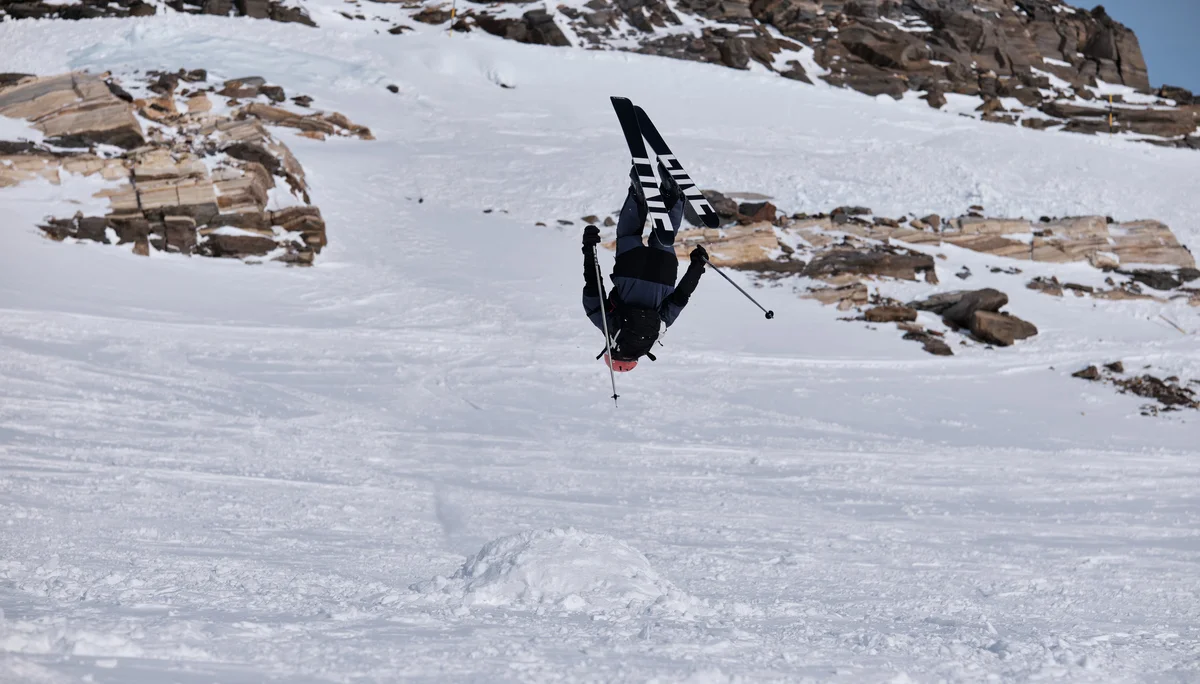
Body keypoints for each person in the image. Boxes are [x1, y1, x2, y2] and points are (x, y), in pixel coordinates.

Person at [582, 177, 708, 372]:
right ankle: (638, 195)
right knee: (628, 234)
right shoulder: (608, 326)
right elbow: (593, 286)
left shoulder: (655, 332)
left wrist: (697, 267)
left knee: (664, 236)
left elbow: (680, 298)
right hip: (630, 270)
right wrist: (589, 248)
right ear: (609, 350)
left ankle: (674, 195)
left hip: (663, 273)